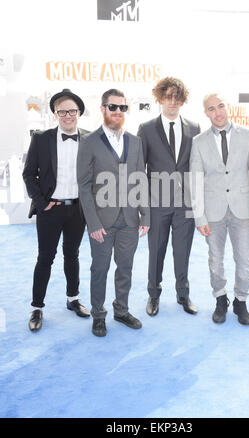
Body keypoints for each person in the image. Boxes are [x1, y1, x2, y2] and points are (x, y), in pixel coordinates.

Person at [77, 89, 150, 337]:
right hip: (102, 221)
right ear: (103, 109)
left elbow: (141, 180)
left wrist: (146, 215)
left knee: (125, 268)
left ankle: (121, 310)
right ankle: (98, 314)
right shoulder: (88, 142)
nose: (118, 111)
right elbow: (84, 186)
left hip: (130, 219)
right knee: (100, 268)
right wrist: (93, 223)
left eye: (122, 107)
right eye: (113, 107)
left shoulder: (135, 142)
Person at [190, 92, 249, 325]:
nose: (217, 112)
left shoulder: (248, 135)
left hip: (242, 209)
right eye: (211, 108)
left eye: (220, 106)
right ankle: (220, 299)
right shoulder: (199, 141)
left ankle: (241, 301)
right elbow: (195, 181)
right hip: (212, 213)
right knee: (216, 260)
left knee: (243, 260)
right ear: (206, 113)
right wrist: (199, 217)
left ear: (228, 107)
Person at [23, 88, 90, 332]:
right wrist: (42, 203)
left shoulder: (90, 138)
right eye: (62, 112)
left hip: (77, 210)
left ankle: (73, 299)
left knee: (72, 255)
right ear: (55, 114)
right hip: (50, 209)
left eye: (72, 111)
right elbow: (29, 174)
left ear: (79, 112)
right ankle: (37, 306)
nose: (67, 116)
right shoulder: (42, 138)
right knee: (45, 258)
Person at [137, 77, 200, 317]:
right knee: (156, 252)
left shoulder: (194, 127)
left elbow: (197, 168)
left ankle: (183, 295)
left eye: (177, 97)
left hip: (186, 204)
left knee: (182, 251)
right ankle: (154, 295)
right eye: (168, 96)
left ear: (182, 100)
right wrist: (143, 208)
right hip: (156, 204)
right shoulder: (146, 128)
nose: (172, 101)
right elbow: (138, 171)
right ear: (160, 98)